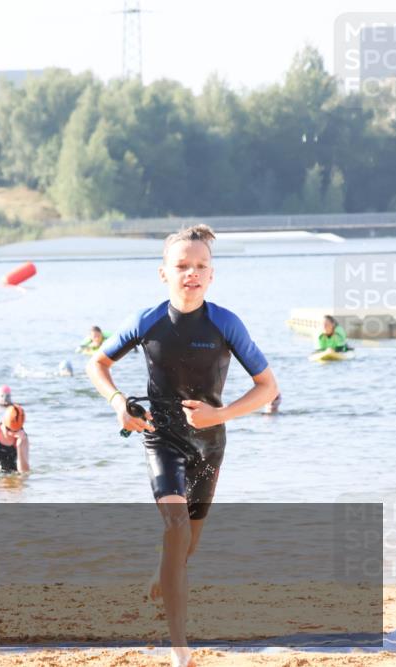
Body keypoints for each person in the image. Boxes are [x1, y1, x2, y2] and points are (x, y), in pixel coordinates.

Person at [85, 225, 278, 667]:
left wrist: (219, 415)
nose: (191, 273)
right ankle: (179, 648)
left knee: (187, 543)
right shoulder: (146, 320)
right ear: (163, 273)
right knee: (175, 529)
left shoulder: (225, 323)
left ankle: (164, 570)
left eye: (200, 266)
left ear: (212, 275)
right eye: (182, 266)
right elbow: (97, 363)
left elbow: (267, 387)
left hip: (210, 442)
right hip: (161, 436)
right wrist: (117, 402)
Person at [0, 404, 29, 473]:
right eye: (8, 430)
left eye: (15, 431)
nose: (11, 433)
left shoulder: (22, 438)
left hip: (12, 474)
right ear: (3, 423)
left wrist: (19, 447)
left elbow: (24, 472)